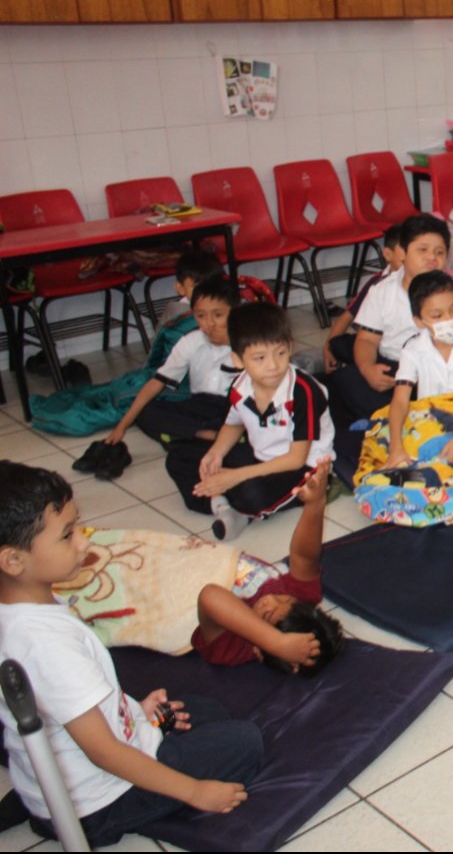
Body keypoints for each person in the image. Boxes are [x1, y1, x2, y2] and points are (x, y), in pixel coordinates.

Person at [0, 461, 261, 847]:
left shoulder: (22, 605)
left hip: (64, 771)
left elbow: (66, 704)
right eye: (68, 535)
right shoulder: (44, 644)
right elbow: (104, 753)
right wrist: (195, 792)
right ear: (13, 561)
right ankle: (55, 816)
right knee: (245, 743)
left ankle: (40, 806)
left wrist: (137, 711)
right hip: (97, 801)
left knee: (207, 712)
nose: (84, 542)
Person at [165, 302, 335, 541]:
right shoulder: (240, 386)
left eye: (281, 353)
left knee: (252, 493)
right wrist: (216, 453)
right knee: (178, 457)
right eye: (260, 358)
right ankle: (223, 506)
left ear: (290, 347)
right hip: (261, 459)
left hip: (302, 468)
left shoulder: (303, 391)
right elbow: (234, 424)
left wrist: (236, 476)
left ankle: (233, 503)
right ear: (238, 360)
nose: (273, 366)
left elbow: (296, 459)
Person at [193, 460, 345, 674]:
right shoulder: (301, 600)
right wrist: (315, 504)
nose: (270, 600)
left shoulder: (233, 646)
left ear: (259, 651)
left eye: (267, 615)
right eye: (284, 600)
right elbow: (303, 556)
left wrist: (276, 643)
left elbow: (209, 596)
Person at [334, 214, 453, 424]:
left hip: (441, 373)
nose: (432, 257)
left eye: (439, 252)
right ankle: (398, 416)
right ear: (403, 253)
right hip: (393, 372)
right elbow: (367, 339)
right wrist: (369, 370)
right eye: (423, 250)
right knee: (346, 379)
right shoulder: (382, 291)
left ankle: (397, 418)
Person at [104, 276, 241, 448]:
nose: (209, 323)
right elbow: (156, 383)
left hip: (234, 409)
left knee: (246, 419)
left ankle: (190, 437)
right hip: (199, 404)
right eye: (201, 316)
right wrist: (121, 427)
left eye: (218, 315)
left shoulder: (249, 341)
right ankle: (205, 436)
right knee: (145, 411)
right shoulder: (191, 340)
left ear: (235, 311)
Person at [382, 271, 453, 468]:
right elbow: (400, 400)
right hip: (432, 419)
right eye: (437, 316)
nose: (449, 319)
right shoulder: (413, 349)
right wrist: (396, 447)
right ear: (419, 321)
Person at [324, 222, 404, 373]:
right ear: (387, 254)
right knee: (337, 344)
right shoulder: (377, 283)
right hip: (376, 344)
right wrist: (327, 348)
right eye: (405, 249)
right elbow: (348, 315)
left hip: (401, 352)